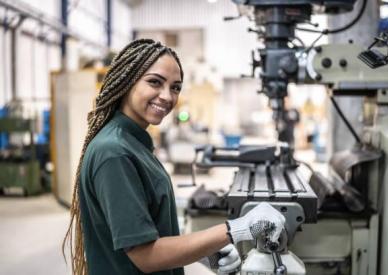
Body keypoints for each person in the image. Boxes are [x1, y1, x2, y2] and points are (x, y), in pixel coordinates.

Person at [62, 39, 285, 275]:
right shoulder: (114, 152)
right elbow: (145, 256)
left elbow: (146, 232)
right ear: (127, 82)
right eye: (154, 82)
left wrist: (201, 251)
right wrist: (235, 230)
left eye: (175, 87)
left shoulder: (133, 142)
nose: (167, 96)